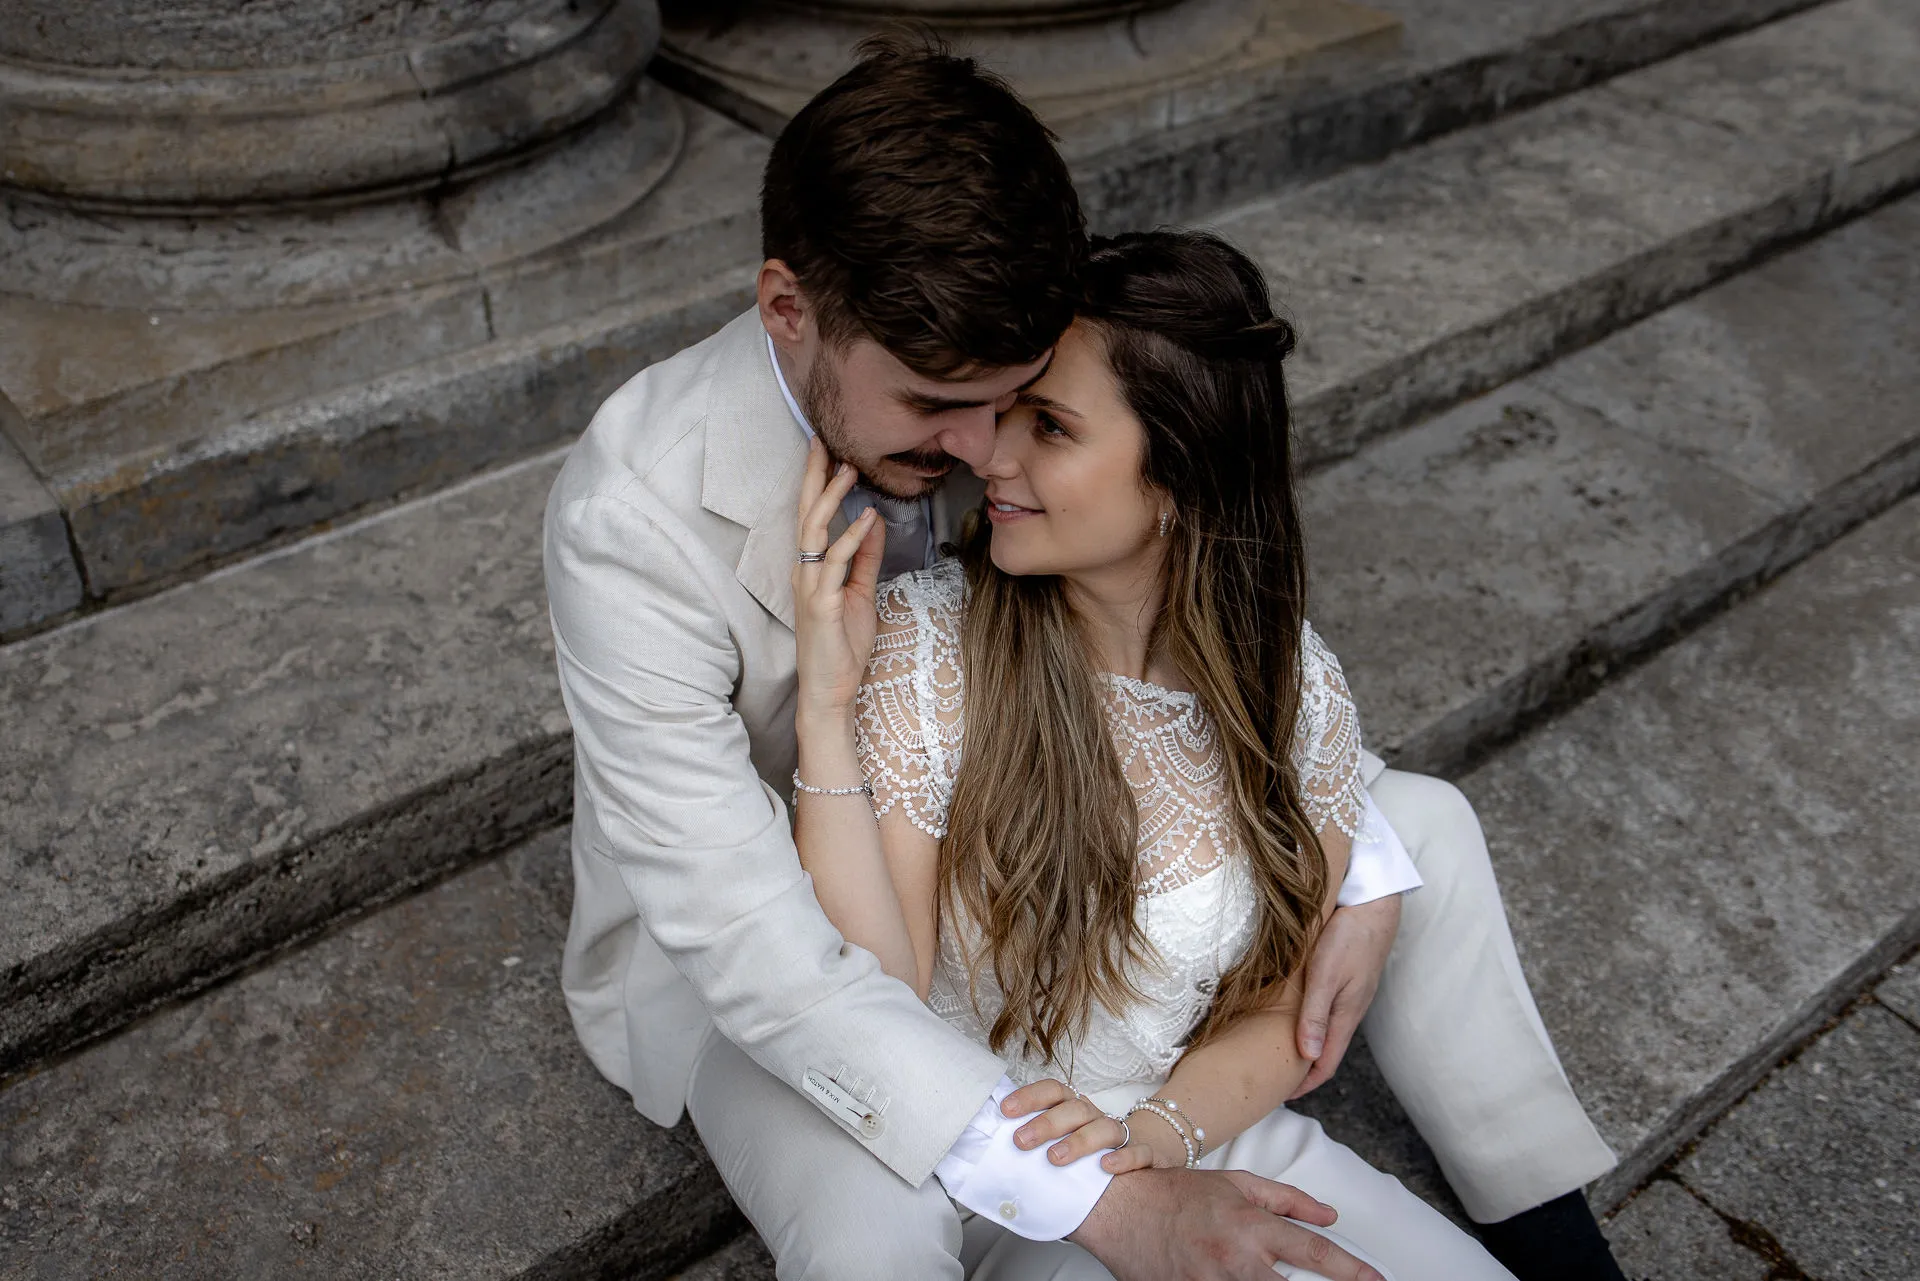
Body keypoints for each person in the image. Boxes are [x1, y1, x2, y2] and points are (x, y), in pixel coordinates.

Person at [544, 36, 1623, 1281]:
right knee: (878, 1230)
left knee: (1419, 832)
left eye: (1017, 403)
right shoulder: (629, 523)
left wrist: (1356, 867)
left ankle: (1548, 1227)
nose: (979, 447)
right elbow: (755, 940)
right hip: (765, 935)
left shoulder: (986, 342)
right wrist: (1110, 1199)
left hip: (1030, 791)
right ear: (790, 309)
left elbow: (1205, 655)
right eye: (936, 405)